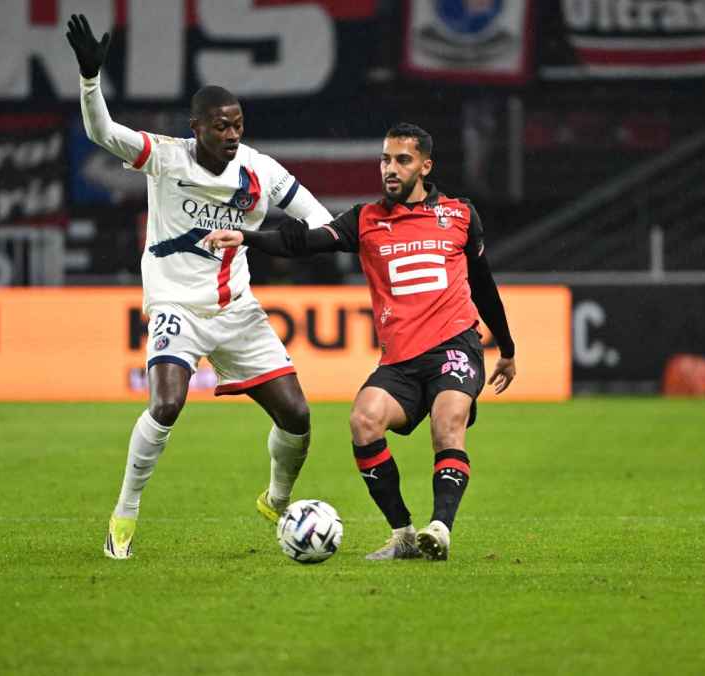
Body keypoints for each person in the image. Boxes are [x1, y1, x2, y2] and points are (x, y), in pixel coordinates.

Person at [64, 15, 336, 560]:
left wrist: (265, 237)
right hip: (175, 307)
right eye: (221, 126)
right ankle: (125, 513)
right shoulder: (164, 157)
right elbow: (101, 133)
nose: (233, 135)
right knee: (166, 404)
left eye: (238, 125)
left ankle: (277, 499)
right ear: (196, 127)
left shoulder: (260, 171)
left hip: (236, 310)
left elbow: (321, 222)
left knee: (299, 417)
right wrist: (91, 80)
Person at [205, 123, 517, 561]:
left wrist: (506, 348)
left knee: (448, 422)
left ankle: (440, 529)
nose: (391, 168)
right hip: (401, 360)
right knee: (363, 420)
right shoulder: (366, 220)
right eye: (385, 159)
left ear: (425, 166)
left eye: (402, 160)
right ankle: (405, 536)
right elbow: (307, 242)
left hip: (455, 347)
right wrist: (248, 240)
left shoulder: (460, 215)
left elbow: (483, 285)